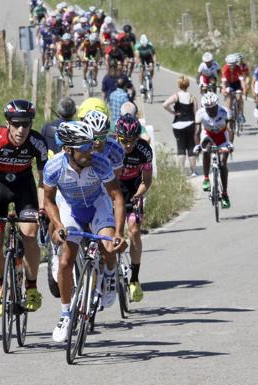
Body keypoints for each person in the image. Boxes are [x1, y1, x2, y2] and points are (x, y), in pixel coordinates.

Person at [43, 121, 127, 342]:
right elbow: (48, 200)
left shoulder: (100, 163)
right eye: (84, 147)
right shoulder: (53, 167)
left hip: (97, 205)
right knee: (65, 261)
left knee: (108, 246)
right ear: (68, 149)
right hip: (72, 209)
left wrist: (119, 231)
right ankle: (65, 314)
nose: (91, 150)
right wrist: (59, 225)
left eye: (91, 145)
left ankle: (109, 275)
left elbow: (117, 197)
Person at [0, 99, 48, 317]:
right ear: (8, 123)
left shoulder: (37, 142)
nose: (21, 130)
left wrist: (42, 208)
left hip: (24, 185)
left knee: (30, 233)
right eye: (16, 124)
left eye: (26, 124)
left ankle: (31, 287)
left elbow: (44, 181)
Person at [115, 114, 153, 302]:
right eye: (124, 141)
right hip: (114, 186)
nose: (128, 145)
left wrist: (138, 195)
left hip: (134, 188)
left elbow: (147, 180)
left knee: (134, 230)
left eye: (133, 140)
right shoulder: (111, 148)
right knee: (113, 230)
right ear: (117, 137)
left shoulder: (144, 151)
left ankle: (134, 279)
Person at [194, 92, 234, 209]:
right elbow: (196, 132)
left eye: (213, 108)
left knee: (222, 164)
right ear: (204, 107)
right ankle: (206, 178)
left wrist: (230, 144)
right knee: (206, 151)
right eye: (208, 109)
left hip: (222, 137)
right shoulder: (200, 113)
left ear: (217, 105)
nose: (211, 111)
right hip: (208, 136)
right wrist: (197, 146)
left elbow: (230, 130)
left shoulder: (225, 112)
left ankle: (225, 194)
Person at [163, 76, 198, 175]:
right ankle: (193, 171)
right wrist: (197, 126)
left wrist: (173, 112)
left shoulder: (176, 96)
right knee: (191, 147)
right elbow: (196, 113)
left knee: (181, 147)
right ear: (188, 85)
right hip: (190, 124)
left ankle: (182, 171)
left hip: (178, 125)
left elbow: (165, 104)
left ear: (179, 85)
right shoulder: (192, 97)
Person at [221, 53, 247, 128]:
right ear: (228, 64)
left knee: (239, 96)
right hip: (228, 83)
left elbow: (242, 81)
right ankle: (229, 114)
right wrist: (223, 89)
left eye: (234, 64)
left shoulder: (238, 68)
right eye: (230, 65)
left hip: (236, 83)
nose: (232, 66)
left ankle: (240, 114)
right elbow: (223, 82)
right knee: (229, 96)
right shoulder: (225, 68)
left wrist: (244, 89)